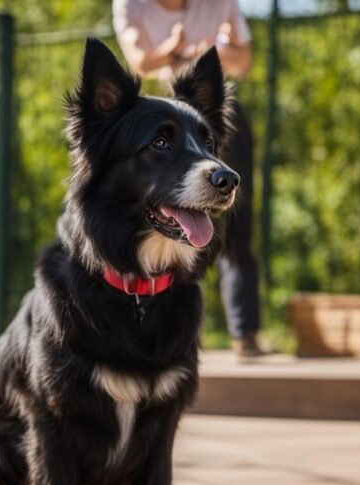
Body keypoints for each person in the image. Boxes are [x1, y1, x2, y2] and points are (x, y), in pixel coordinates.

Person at [113, 0, 265, 358]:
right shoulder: (130, 4)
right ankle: (162, 337)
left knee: (236, 230)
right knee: (161, 229)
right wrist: (172, 50)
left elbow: (243, 61)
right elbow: (139, 60)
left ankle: (245, 333)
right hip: (162, 113)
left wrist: (212, 52)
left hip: (212, 112)